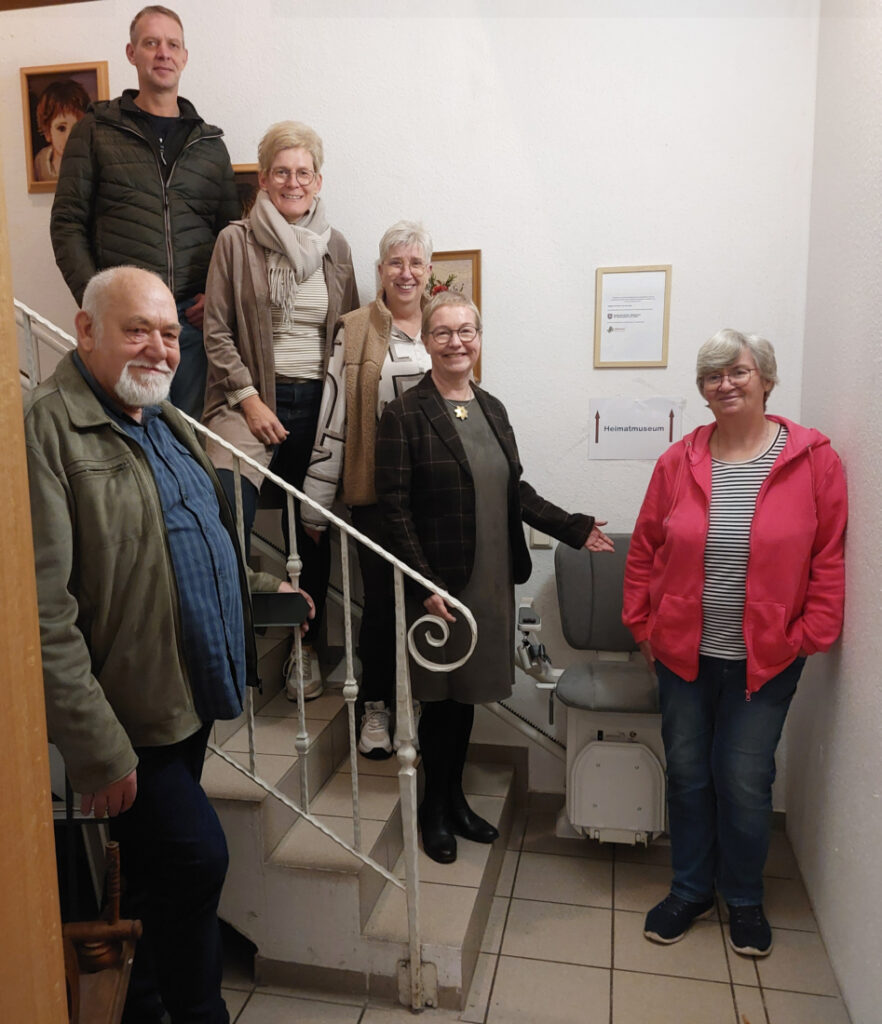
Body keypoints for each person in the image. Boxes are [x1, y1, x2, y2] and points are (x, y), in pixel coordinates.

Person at [25, 266, 309, 1024]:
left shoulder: (164, 419)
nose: (158, 347)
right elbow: (41, 611)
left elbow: (198, 528)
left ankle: (141, 1006)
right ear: (86, 332)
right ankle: (198, 1012)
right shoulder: (47, 429)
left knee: (153, 876)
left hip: (189, 695)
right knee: (196, 858)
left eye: (167, 331)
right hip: (129, 715)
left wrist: (261, 585)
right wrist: (97, 747)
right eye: (135, 330)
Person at [622, 329, 847, 958]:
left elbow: (827, 558)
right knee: (690, 775)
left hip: (767, 660)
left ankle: (744, 898)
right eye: (711, 376)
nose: (724, 384)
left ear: (766, 379)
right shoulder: (680, 460)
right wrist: (643, 625)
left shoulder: (813, 459)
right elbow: (645, 549)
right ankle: (690, 889)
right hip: (682, 657)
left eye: (737, 372)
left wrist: (809, 635)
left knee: (744, 779)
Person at [375, 291, 614, 864]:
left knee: (468, 699)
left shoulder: (493, 408)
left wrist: (572, 527)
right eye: (443, 332)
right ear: (426, 342)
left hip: (491, 579)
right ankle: (434, 810)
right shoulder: (403, 414)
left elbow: (515, 491)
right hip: (439, 587)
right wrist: (423, 583)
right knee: (440, 700)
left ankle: (455, 800)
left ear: (479, 339)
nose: (457, 342)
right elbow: (393, 507)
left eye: (467, 331)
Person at [202, 120, 358, 702]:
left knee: (309, 529)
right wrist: (249, 398)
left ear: (318, 181)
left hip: (318, 406)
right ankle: (231, 643)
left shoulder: (336, 246)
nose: (293, 181)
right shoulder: (235, 241)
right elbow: (216, 332)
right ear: (263, 178)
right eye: (281, 171)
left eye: (304, 172)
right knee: (225, 520)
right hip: (248, 400)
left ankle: (305, 649)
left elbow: (347, 335)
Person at [50, 5, 240, 419]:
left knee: (188, 438)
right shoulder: (96, 130)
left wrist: (217, 294)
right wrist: (96, 302)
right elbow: (67, 225)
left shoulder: (209, 145)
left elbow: (231, 235)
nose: (162, 53)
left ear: (185, 57)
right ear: (131, 52)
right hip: (123, 325)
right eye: (150, 43)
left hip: (189, 325)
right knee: (126, 432)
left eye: (172, 44)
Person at [303, 221, 433, 758]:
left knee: (432, 606)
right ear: (379, 271)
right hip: (377, 494)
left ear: (428, 272)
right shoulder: (354, 328)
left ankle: (419, 701)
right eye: (395, 263)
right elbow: (333, 410)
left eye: (415, 263)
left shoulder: (447, 324)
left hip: (437, 498)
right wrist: (316, 497)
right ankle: (375, 707)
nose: (405, 273)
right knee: (380, 607)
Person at [33, 78, 90, 182]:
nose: (69, 137)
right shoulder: (40, 161)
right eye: (61, 128)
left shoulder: (90, 162)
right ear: (47, 133)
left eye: (77, 127)